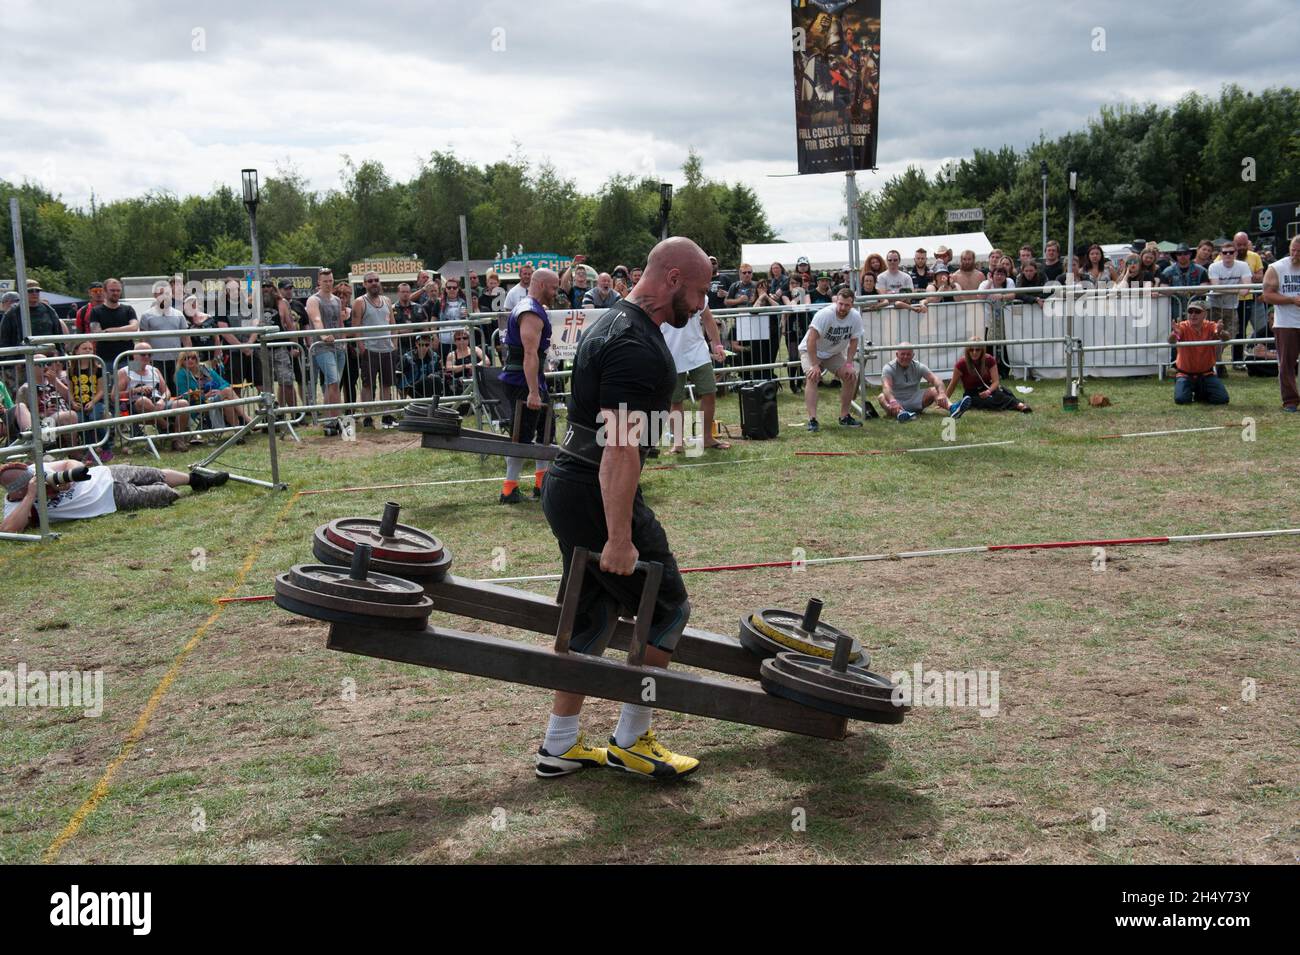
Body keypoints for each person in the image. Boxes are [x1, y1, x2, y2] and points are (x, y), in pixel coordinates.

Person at [535, 236, 711, 780]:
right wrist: (618, 536)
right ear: (674, 279)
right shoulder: (635, 345)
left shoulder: (610, 320)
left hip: (571, 483)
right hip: (595, 487)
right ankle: (632, 740)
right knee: (665, 607)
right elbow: (619, 445)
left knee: (590, 614)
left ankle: (559, 744)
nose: (703, 305)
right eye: (701, 291)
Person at [1, 458, 229, 533]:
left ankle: (199, 481)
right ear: (18, 491)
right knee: (163, 493)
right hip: (108, 499)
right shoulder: (16, 506)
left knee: (153, 473)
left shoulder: (38, 468)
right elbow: (9, 530)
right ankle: (181, 492)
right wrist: (32, 496)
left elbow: (71, 463)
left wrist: (68, 480)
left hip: (106, 473)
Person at [499, 269, 558, 504]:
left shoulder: (533, 308)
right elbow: (530, 353)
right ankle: (509, 489)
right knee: (521, 436)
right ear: (542, 285)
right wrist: (533, 392)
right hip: (522, 382)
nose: (556, 292)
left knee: (546, 430)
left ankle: (541, 485)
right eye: (553, 288)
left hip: (531, 380)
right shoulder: (530, 312)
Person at [661, 303, 728, 453]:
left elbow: (708, 320)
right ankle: (678, 443)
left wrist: (717, 346)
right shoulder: (664, 293)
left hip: (698, 351)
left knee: (709, 392)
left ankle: (707, 438)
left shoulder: (698, 292)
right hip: (671, 353)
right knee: (675, 400)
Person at [799, 286, 864, 432]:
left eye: (847, 305)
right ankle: (813, 420)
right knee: (812, 376)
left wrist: (848, 363)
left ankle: (844, 416)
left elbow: (854, 341)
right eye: (840, 304)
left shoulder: (855, 316)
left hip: (833, 353)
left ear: (852, 304)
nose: (842, 308)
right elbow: (811, 340)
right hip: (811, 350)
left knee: (850, 376)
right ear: (836, 301)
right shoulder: (825, 314)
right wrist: (815, 364)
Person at [116, 343, 192, 452]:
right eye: (143, 354)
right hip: (137, 407)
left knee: (183, 403)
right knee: (144, 401)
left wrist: (162, 400)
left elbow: (166, 391)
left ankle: (177, 440)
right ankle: (166, 427)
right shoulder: (125, 371)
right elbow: (114, 396)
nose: (147, 357)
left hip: (158, 402)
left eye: (150, 354)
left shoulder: (154, 370)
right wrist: (135, 390)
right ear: (134, 355)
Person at [352, 271, 399, 429]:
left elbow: (393, 324)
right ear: (364, 284)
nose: (374, 283)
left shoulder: (386, 300)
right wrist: (361, 346)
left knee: (386, 384)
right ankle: (367, 416)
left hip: (387, 349)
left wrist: (394, 343)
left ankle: (387, 415)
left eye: (376, 280)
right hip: (370, 349)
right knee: (367, 385)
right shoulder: (360, 302)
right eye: (370, 281)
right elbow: (355, 326)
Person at [1260, 235, 1300, 412]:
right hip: (1286, 323)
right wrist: (1292, 300)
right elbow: (1267, 295)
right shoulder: (1277, 268)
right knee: (1286, 364)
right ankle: (1290, 400)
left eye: (1299, 251)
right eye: (1293, 249)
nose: (1295, 254)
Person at [879, 343, 967, 421]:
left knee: (935, 390)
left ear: (913, 355)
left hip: (915, 400)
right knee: (882, 397)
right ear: (897, 354)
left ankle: (953, 409)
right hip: (896, 401)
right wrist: (893, 401)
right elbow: (886, 387)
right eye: (902, 354)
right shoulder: (888, 368)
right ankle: (901, 414)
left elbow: (935, 379)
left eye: (908, 354)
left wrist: (942, 393)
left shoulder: (918, 366)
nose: (905, 357)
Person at [1168, 300, 1230, 405]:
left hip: (1206, 373)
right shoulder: (1182, 326)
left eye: (1197, 312)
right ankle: (1188, 388)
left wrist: (1220, 333)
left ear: (1205, 314)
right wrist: (1175, 334)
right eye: (1190, 311)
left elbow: (1227, 337)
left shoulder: (1210, 326)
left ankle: (1200, 392)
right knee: (1181, 400)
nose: (1193, 314)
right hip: (1185, 374)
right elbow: (1171, 340)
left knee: (1222, 399)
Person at [305, 269, 347, 420]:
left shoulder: (337, 300)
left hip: (339, 346)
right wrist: (323, 335)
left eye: (330, 281)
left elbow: (340, 323)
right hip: (322, 347)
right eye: (325, 281)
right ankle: (331, 418)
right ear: (319, 282)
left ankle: (334, 417)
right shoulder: (313, 300)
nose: (328, 284)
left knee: (335, 384)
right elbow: (316, 319)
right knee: (333, 380)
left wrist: (343, 341)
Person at [945, 340, 1030, 412]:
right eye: (971, 350)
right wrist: (945, 401)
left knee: (1001, 394)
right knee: (984, 401)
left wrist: (988, 391)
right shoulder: (961, 364)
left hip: (988, 388)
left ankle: (1020, 405)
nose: (974, 352)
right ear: (967, 351)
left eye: (977, 350)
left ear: (982, 350)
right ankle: (1019, 405)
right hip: (972, 393)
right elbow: (953, 384)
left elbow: (996, 381)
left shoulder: (989, 360)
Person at [13, 355, 77, 451]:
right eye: (40, 364)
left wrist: (56, 382)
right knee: (71, 415)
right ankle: (74, 451)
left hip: (64, 416)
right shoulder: (25, 388)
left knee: (71, 415)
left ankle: (72, 449)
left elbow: (71, 400)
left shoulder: (56, 381)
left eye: (47, 363)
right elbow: (21, 415)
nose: (46, 367)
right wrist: (44, 414)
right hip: (43, 421)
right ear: (30, 367)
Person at [175, 350, 250, 430]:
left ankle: (238, 433)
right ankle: (248, 420)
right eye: (186, 358)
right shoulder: (181, 374)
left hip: (215, 398)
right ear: (182, 361)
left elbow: (225, 383)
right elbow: (185, 395)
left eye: (193, 358)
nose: (190, 360)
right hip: (198, 404)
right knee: (227, 391)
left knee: (227, 400)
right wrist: (204, 396)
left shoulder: (204, 369)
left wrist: (220, 391)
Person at [138, 280, 191, 392]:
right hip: (155, 360)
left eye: (167, 293)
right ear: (155, 295)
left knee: (178, 387)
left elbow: (186, 338)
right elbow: (142, 340)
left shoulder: (179, 314)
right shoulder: (146, 315)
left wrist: (188, 356)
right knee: (159, 389)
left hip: (176, 359)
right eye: (160, 293)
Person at [1208, 241, 1253, 370]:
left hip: (1232, 306)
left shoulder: (1243, 265)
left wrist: (1228, 289)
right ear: (1221, 254)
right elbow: (1216, 288)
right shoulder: (1214, 267)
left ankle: (1215, 361)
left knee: (1230, 335)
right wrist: (1237, 289)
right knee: (1214, 335)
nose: (1228, 255)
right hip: (1214, 306)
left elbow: (1247, 289)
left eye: (1231, 252)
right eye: (1225, 252)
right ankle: (1215, 364)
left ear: (1236, 253)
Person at [68, 340, 111, 458]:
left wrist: (93, 402)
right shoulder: (71, 370)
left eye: (90, 349)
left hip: (96, 403)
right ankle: (90, 450)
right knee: (82, 422)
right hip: (79, 404)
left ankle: (106, 448)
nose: (88, 351)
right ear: (76, 351)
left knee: (94, 419)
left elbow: (102, 390)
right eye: (84, 348)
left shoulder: (98, 368)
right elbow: (70, 390)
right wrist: (72, 402)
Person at [1, 280, 68, 354]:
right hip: (23, 356)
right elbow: (4, 340)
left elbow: (58, 335)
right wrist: (12, 362)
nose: (34, 293)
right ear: (22, 292)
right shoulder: (12, 313)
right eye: (30, 291)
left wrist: (60, 354)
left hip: (49, 355)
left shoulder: (49, 310)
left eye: (37, 291)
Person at [1160, 244, 1211, 322]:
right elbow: (1162, 287)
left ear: (1190, 254)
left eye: (1185, 253)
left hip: (1196, 309)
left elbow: (1205, 287)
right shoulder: (1167, 271)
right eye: (1179, 254)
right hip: (1175, 310)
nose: (1182, 256)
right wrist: (1176, 291)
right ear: (1176, 256)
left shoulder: (1201, 270)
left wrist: (1191, 291)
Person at [399, 335, 441, 399]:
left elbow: (440, 371)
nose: (424, 347)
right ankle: (429, 404)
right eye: (421, 345)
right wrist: (403, 389)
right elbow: (398, 373)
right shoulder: (407, 357)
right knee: (428, 380)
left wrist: (434, 375)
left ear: (430, 345)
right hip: (412, 387)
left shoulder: (435, 356)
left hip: (429, 385)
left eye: (427, 345)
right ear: (416, 344)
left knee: (435, 378)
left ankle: (436, 403)